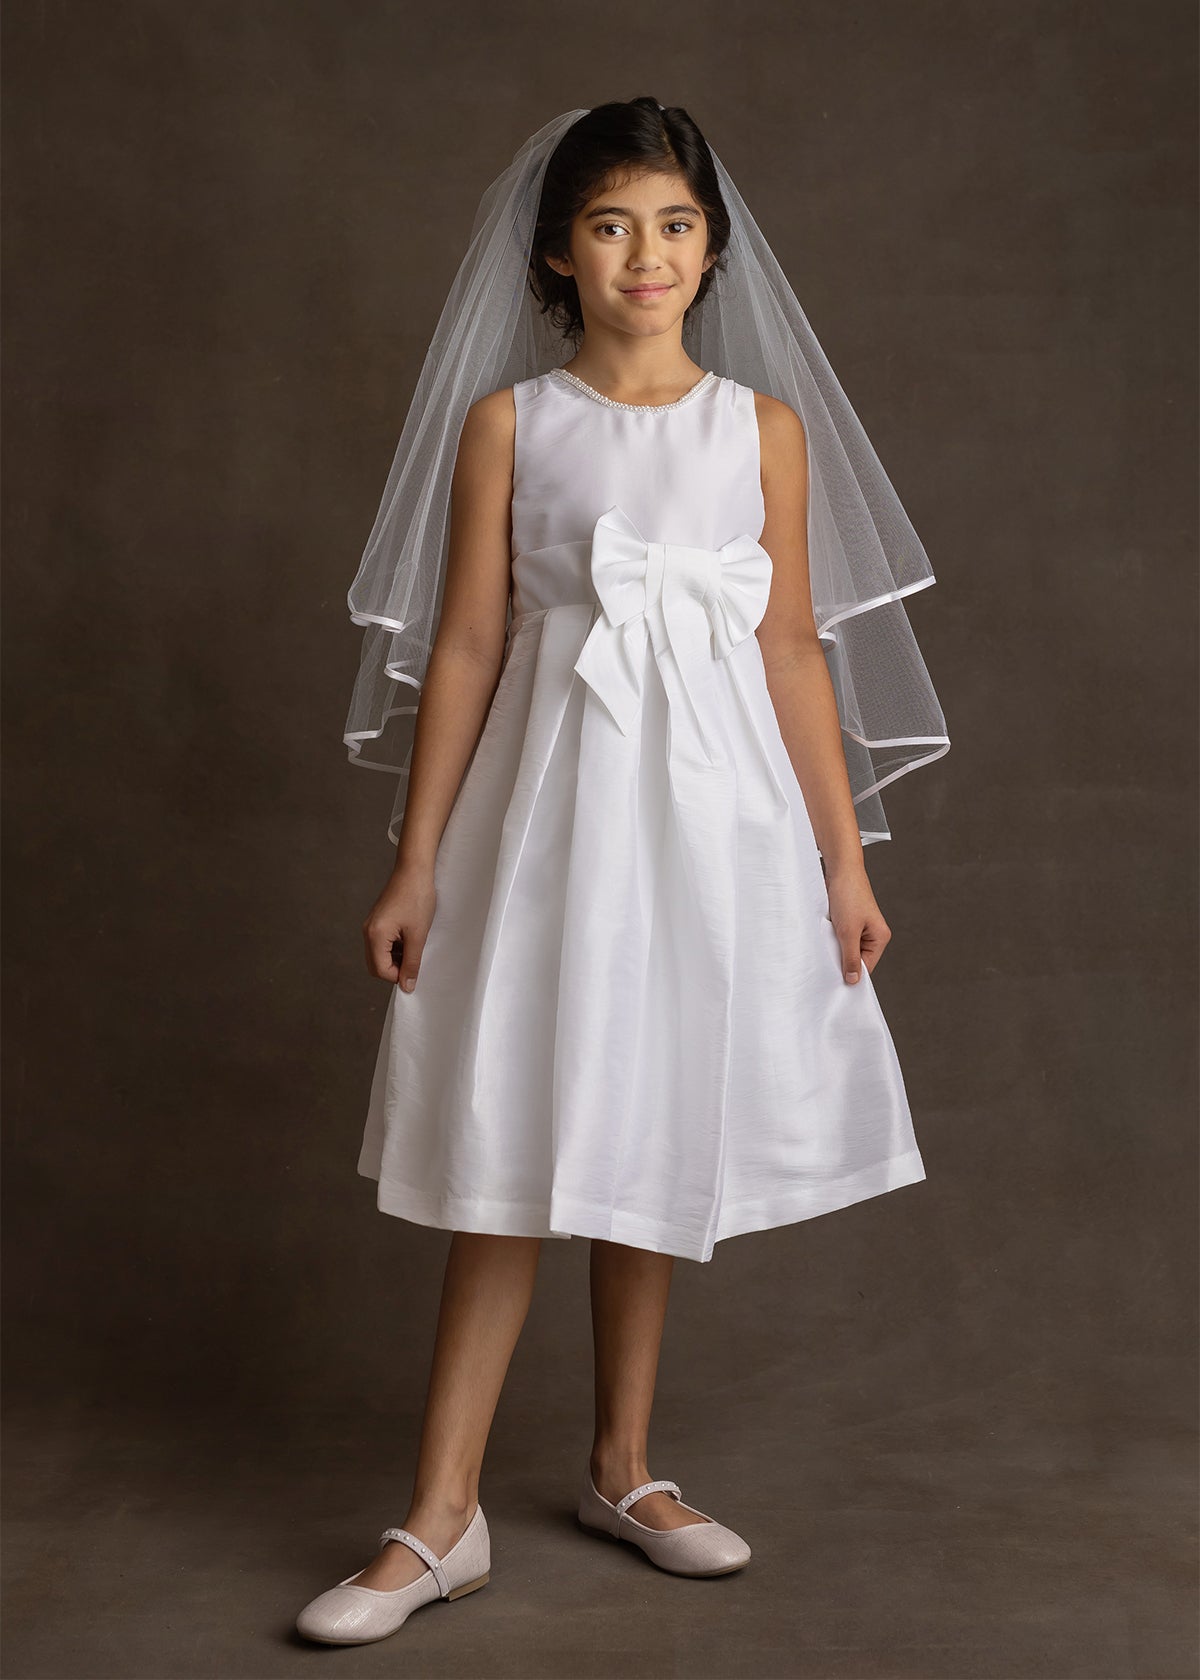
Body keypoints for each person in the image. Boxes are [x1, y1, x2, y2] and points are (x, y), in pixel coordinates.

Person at [297, 97, 949, 1647]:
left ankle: (626, 1468)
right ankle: (440, 1519)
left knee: (659, 1116)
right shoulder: (516, 427)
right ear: (556, 255)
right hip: (551, 819)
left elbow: (792, 648)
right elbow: (466, 644)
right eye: (609, 227)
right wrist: (415, 865)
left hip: (713, 823)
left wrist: (838, 859)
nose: (644, 254)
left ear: (711, 248)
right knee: (515, 1130)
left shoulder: (760, 433)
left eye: (672, 225)